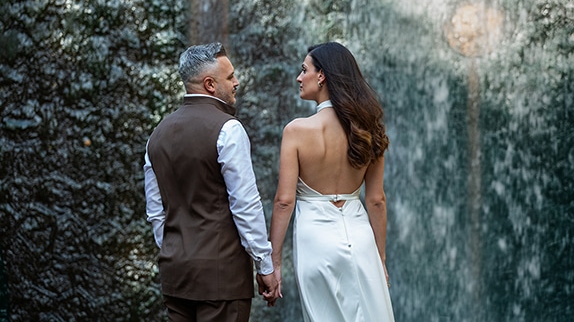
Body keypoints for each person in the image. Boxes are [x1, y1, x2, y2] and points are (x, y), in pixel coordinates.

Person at [143, 43, 278, 321]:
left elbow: (156, 213)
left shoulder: (156, 135)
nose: (236, 82)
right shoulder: (228, 129)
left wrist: (175, 251)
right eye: (230, 77)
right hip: (221, 276)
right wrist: (264, 265)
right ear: (210, 84)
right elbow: (245, 205)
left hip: (175, 274)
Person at [268, 42, 395, 321]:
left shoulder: (296, 131)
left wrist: (273, 263)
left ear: (322, 76)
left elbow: (284, 201)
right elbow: (376, 200)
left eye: (304, 70)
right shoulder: (369, 129)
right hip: (361, 240)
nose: (299, 78)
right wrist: (381, 259)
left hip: (316, 240)